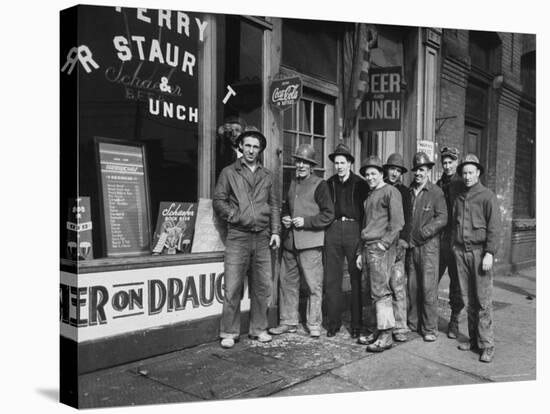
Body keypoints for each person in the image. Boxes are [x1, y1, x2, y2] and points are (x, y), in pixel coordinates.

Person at [213, 126, 281, 349]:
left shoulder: (267, 175)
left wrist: (275, 232)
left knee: (262, 286)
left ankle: (259, 329)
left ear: (260, 150)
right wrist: (235, 216)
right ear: (240, 146)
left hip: (262, 236)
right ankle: (229, 332)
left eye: (256, 146)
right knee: (232, 286)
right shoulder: (229, 172)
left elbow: (273, 205)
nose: (251, 150)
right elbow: (219, 201)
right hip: (238, 236)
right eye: (248, 145)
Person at [270, 144, 334, 338]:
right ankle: (288, 321)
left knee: (314, 285)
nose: (301, 165)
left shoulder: (320, 184)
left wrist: (306, 222)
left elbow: (328, 214)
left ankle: (314, 323)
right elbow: (288, 207)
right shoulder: (292, 182)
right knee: (287, 282)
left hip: (310, 243)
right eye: (298, 161)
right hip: (290, 243)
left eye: (305, 162)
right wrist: (285, 218)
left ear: (311, 165)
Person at [453, 154, 500, 363]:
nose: (467, 176)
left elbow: (495, 228)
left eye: (471, 172)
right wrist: (454, 248)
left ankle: (487, 345)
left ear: (478, 172)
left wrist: (490, 252)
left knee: (483, 301)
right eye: (464, 173)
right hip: (462, 252)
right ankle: (473, 340)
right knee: (468, 299)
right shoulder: (459, 195)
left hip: (481, 254)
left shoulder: (487, 196)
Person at [356, 155, 404, 353]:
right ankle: (376, 330)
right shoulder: (369, 197)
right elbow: (366, 226)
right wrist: (360, 252)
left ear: (381, 174)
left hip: (380, 247)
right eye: (367, 174)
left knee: (381, 291)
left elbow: (398, 223)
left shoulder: (391, 192)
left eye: (373, 173)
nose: (369, 177)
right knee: (370, 291)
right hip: (368, 248)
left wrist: (384, 244)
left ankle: (386, 335)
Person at [324, 143, 369, 338]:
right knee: (332, 278)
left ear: (350, 163)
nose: (339, 166)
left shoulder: (360, 184)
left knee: (355, 278)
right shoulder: (329, 183)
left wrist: (362, 239)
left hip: (353, 229)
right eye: (337, 163)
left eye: (343, 162)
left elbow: (366, 212)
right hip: (333, 229)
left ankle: (356, 325)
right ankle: (333, 323)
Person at [406, 152, 447, 342]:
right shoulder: (410, 190)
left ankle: (430, 328)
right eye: (416, 170)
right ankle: (414, 323)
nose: (418, 174)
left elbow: (443, 218)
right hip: (412, 246)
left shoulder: (436, 192)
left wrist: (426, 232)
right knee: (413, 286)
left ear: (428, 171)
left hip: (429, 247)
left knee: (428, 287)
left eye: (422, 170)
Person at [382, 153, 412, 343]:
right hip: (381, 243)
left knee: (398, 285)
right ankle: (384, 324)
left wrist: (404, 241)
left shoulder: (404, 192)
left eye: (398, 170)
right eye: (392, 169)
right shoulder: (380, 188)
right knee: (382, 286)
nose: (394, 173)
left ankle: (400, 326)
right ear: (386, 169)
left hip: (397, 243)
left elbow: (408, 219)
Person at [436, 146, 465, 339]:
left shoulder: (463, 184)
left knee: (456, 283)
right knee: (432, 279)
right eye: (444, 162)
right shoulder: (438, 185)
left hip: (456, 240)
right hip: (439, 239)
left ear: (456, 163)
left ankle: (454, 321)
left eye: (450, 162)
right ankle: (427, 317)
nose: (447, 166)